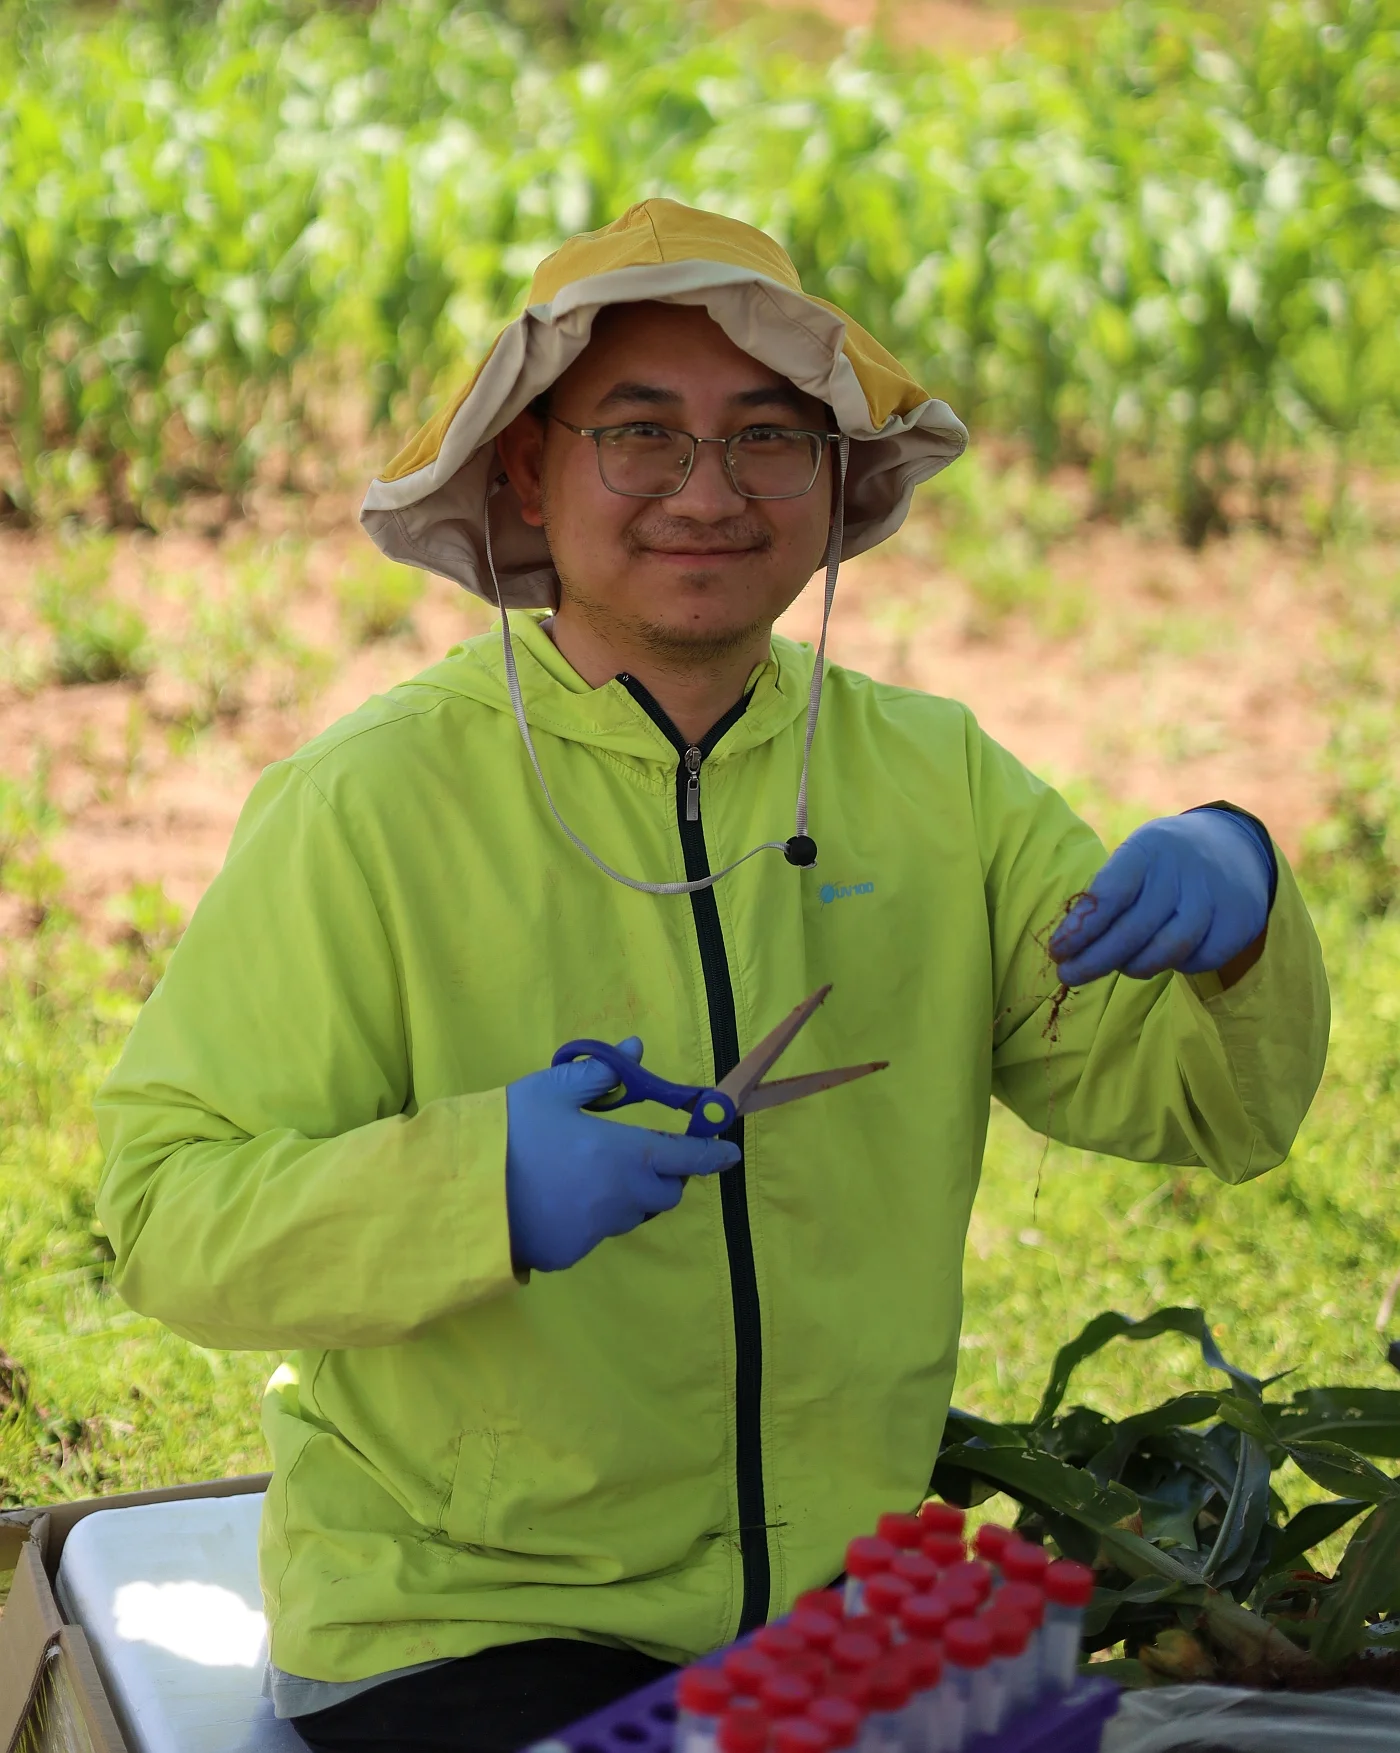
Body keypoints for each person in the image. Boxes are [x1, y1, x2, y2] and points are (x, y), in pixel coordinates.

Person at [95, 200, 1328, 1752]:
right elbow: (165, 1211)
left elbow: (1204, 1110)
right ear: (528, 471)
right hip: (464, 1619)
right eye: (640, 435)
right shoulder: (375, 807)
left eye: (767, 437)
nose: (707, 492)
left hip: (831, 1610)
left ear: (833, 476)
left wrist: (1240, 906)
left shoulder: (935, 782)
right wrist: (478, 1186)